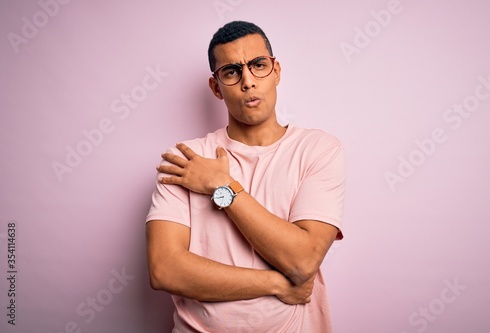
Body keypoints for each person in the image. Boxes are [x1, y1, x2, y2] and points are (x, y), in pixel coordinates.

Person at [146, 20, 345, 333]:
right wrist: (276, 284)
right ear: (216, 87)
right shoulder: (187, 159)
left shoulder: (317, 149)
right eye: (231, 71)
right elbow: (165, 269)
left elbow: (303, 261)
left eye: (258, 65)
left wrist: (222, 186)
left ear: (276, 71)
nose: (248, 81)